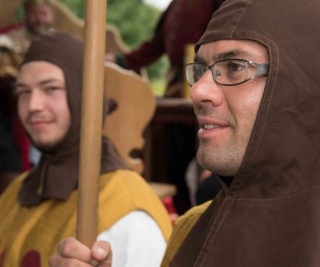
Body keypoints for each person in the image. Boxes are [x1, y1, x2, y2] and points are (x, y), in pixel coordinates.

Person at [51, 0, 320, 265]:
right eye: (200, 70)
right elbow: (154, 47)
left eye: (235, 67)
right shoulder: (189, 229)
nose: (197, 91)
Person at [0, 32, 172, 267]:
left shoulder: (129, 210)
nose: (33, 105)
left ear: (83, 95)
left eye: (50, 88)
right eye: (23, 92)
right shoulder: (16, 191)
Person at [105, 0, 225, 98]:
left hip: (210, 84)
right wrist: (118, 60)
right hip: (177, 85)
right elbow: (155, 46)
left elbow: (228, 37)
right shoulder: (175, 5)